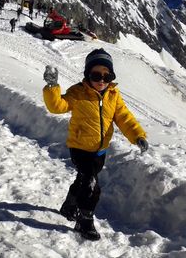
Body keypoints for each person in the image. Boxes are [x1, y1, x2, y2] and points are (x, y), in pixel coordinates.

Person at [42, 48, 149, 241]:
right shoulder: (78, 92)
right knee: (91, 185)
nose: (101, 80)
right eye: (96, 75)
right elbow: (57, 106)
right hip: (80, 148)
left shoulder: (113, 96)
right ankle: (84, 221)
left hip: (100, 151)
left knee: (84, 179)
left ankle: (69, 205)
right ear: (87, 75)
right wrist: (52, 87)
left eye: (107, 76)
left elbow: (124, 118)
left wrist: (137, 136)